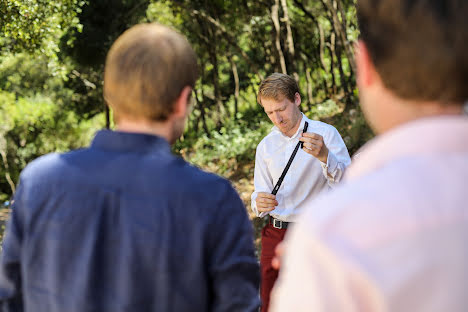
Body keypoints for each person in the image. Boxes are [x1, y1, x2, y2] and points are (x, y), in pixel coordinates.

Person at [0, 23, 260, 312]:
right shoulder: (214, 198)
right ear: (183, 102)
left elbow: (9, 299)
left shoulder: (39, 181)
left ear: (110, 96)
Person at [270, 0, 468, 311]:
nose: (277, 117)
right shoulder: (329, 233)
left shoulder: (335, 235)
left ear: (364, 64)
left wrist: (310, 261)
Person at [251, 73, 351, 311]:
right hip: (275, 234)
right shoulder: (265, 146)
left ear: (296, 99)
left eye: (281, 109)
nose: (277, 118)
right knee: (270, 301)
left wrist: (325, 156)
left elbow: (349, 186)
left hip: (316, 231)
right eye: (269, 112)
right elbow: (258, 195)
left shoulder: (326, 134)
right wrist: (259, 202)